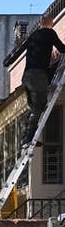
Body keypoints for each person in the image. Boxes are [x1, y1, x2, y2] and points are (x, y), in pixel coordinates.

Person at [21, 13, 65, 148]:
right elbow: (62, 48)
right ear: (50, 23)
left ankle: (25, 138)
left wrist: (50, 62)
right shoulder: (49, 33)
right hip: (37, 76)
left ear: (40, 23)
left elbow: (30, 51)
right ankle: (28, 138)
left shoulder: (33, 35)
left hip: (27, 76)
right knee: (39, 107)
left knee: (33, 107)